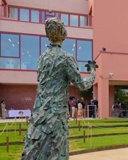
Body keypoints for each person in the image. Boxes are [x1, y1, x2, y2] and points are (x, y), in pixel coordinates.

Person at [22, 18, 96, 160]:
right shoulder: (66, 58)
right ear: (62, 33)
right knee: (57, 151)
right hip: (55, 117)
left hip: (40, 114)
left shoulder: (42, 58)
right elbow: (82, 85)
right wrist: (93, 73)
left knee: (36, 149)